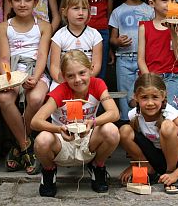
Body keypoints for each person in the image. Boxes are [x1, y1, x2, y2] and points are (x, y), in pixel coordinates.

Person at [31, 50, 120, 197]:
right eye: (70, 76)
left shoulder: (97, 84)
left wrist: (93, 122)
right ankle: (49, 171)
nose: (77, 80)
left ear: (91, 69)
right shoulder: (61, 91)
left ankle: (98, 166)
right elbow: (35, 121)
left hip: (87, 137)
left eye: (82, 73)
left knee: (111, 130)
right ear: (64, 77)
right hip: (62, 141)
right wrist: (59, 129)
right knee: (42, 139)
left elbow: (114, 113)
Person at [0, 0, 52, 174]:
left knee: (36, 98)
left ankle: (17, 147)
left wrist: (35, 78)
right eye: (17, 0)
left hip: (36, 70)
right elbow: (4, 57)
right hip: (12, 70)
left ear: (35, 2)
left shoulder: (44, 26)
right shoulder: (4, 26)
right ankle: (26, 147)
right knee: (4, 97)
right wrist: (8, 79)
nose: (22, 4)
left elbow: (43, 54)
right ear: (10, 2)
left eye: (27, 0)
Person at [119, 73, 178, 194]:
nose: (150, 103)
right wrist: (136, 165)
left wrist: (176, 174)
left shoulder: (172, 115)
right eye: (144, 97)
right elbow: (134, 142)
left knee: (167, 127)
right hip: (152, 159)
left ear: (163, 96)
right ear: (135, 97)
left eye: (155, 97)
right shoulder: (134, 115)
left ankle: (169, 174)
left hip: (174, 160)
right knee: (124, 130)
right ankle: (148, 169)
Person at [109, 0, 154, 121]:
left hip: (145, 58)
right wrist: (118, 42)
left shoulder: (150, 11)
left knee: (144, 90)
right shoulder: (117, 11)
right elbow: (112, 39)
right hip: (124, 58)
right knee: (124, 94)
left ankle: (143, 124)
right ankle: (126, 125)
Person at [138, 0, 178, 111]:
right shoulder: (144, 27)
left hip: (171, 76)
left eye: (173, 0)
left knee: (170, 107)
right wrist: (149, 79)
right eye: (165, 0)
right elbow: (141, 60)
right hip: (150, 75)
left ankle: (174, 131)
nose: (170, 4)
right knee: (135, 102)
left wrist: (173, 32)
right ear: (152, 3)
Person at [50, 0, 102, 90]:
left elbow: (96, 65)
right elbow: (54, 67)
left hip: (87, 80)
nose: (81, 13)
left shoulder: (95, 35)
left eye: (84, 8)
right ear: (64, 11)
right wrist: (63, 81)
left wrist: (83, 80)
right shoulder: (59, 36)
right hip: (64, 80)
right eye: (76, 8)